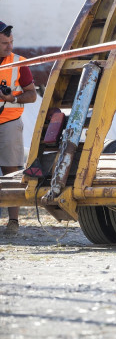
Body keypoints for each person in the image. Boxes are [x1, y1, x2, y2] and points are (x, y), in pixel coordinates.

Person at [0, 21, 37, 235]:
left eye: (11, 42)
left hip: (9, 123)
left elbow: (31, 95)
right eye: (5, 43)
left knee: (11, 171)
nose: (10, 47)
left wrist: (11, 97)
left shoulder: (19, 63)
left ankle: (13, 221)